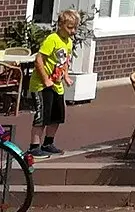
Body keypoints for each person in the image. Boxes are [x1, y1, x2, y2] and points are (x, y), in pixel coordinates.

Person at [29, 9, 79, 157]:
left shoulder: (68, 42)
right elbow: (39, 59)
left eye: (75, 28)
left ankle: (48, 143)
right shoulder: (52, 39)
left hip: (57, 85)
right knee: (42, 116)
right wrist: (45, 79)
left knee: (57, 116)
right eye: (70, 28)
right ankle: (34, 146)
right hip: (42, 85)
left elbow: (64, 61)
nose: (73, 31)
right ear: (60, 25)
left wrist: (66, 76)